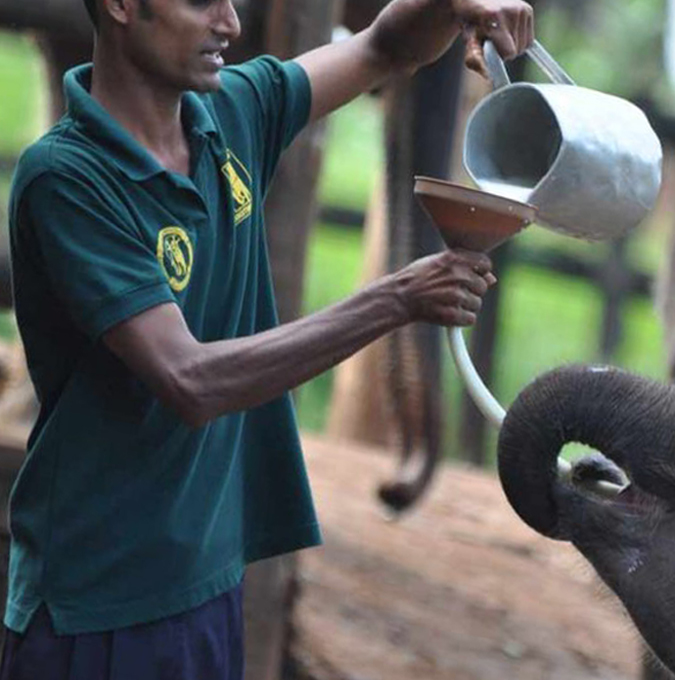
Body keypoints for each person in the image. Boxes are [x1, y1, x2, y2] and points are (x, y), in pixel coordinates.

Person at [0, 0, 534, 677]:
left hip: (209, 583)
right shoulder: (68, 178)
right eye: (201, 3)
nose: (230, 23)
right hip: (99, 605)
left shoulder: (233, 115)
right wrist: (395, 299)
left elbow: (385, 47)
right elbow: (189, 381)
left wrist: (453, 4)